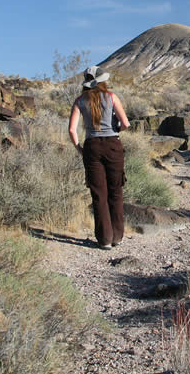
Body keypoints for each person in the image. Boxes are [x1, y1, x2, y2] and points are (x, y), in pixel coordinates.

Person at [68, 66, 130, 250]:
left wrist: (80, 148)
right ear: (102, 80)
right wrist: (115, 130)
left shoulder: (80, 100)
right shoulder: (111, 97)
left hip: (92, 147)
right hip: (113, 146)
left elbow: (72, 130)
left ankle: (104, 239)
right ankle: (117, 236)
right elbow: (126, 123)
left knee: (98, 194)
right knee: (116, 190)